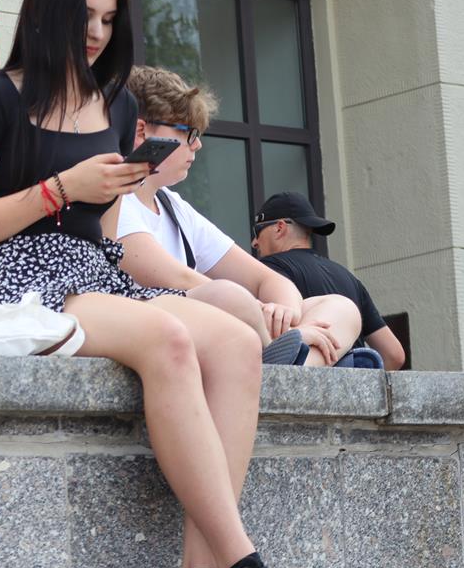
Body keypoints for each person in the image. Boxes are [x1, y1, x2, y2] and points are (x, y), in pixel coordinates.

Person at [0, 0, 328, 568]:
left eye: (109, 19)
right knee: (167, 340)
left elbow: (109, 229)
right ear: (46, 13)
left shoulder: (116, 105)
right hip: (12, 279)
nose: (96, 32)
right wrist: (60, 190)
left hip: (94, 272)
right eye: (85, 16)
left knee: (235, 340)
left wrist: (160, 263)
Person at [109, 66, 361, 367]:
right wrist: (265, 316)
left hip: (212, 328)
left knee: (341, 307)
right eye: (188, 132)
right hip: (155, 327)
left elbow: (266, 278)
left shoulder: (173, 205)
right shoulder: (114, 198)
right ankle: (287, 363)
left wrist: (286, 314)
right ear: (141, 131)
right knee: (228, 295)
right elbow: (177, 278)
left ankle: (290, 367)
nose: (197, 144)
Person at [253, 191, 406, 370]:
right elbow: (394, 354)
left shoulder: (267, 272)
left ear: (280, 228)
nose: (254, 242)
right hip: (353, 383)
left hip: (299, 383)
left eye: (257, 232)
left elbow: (273, 332)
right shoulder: (349, 277)